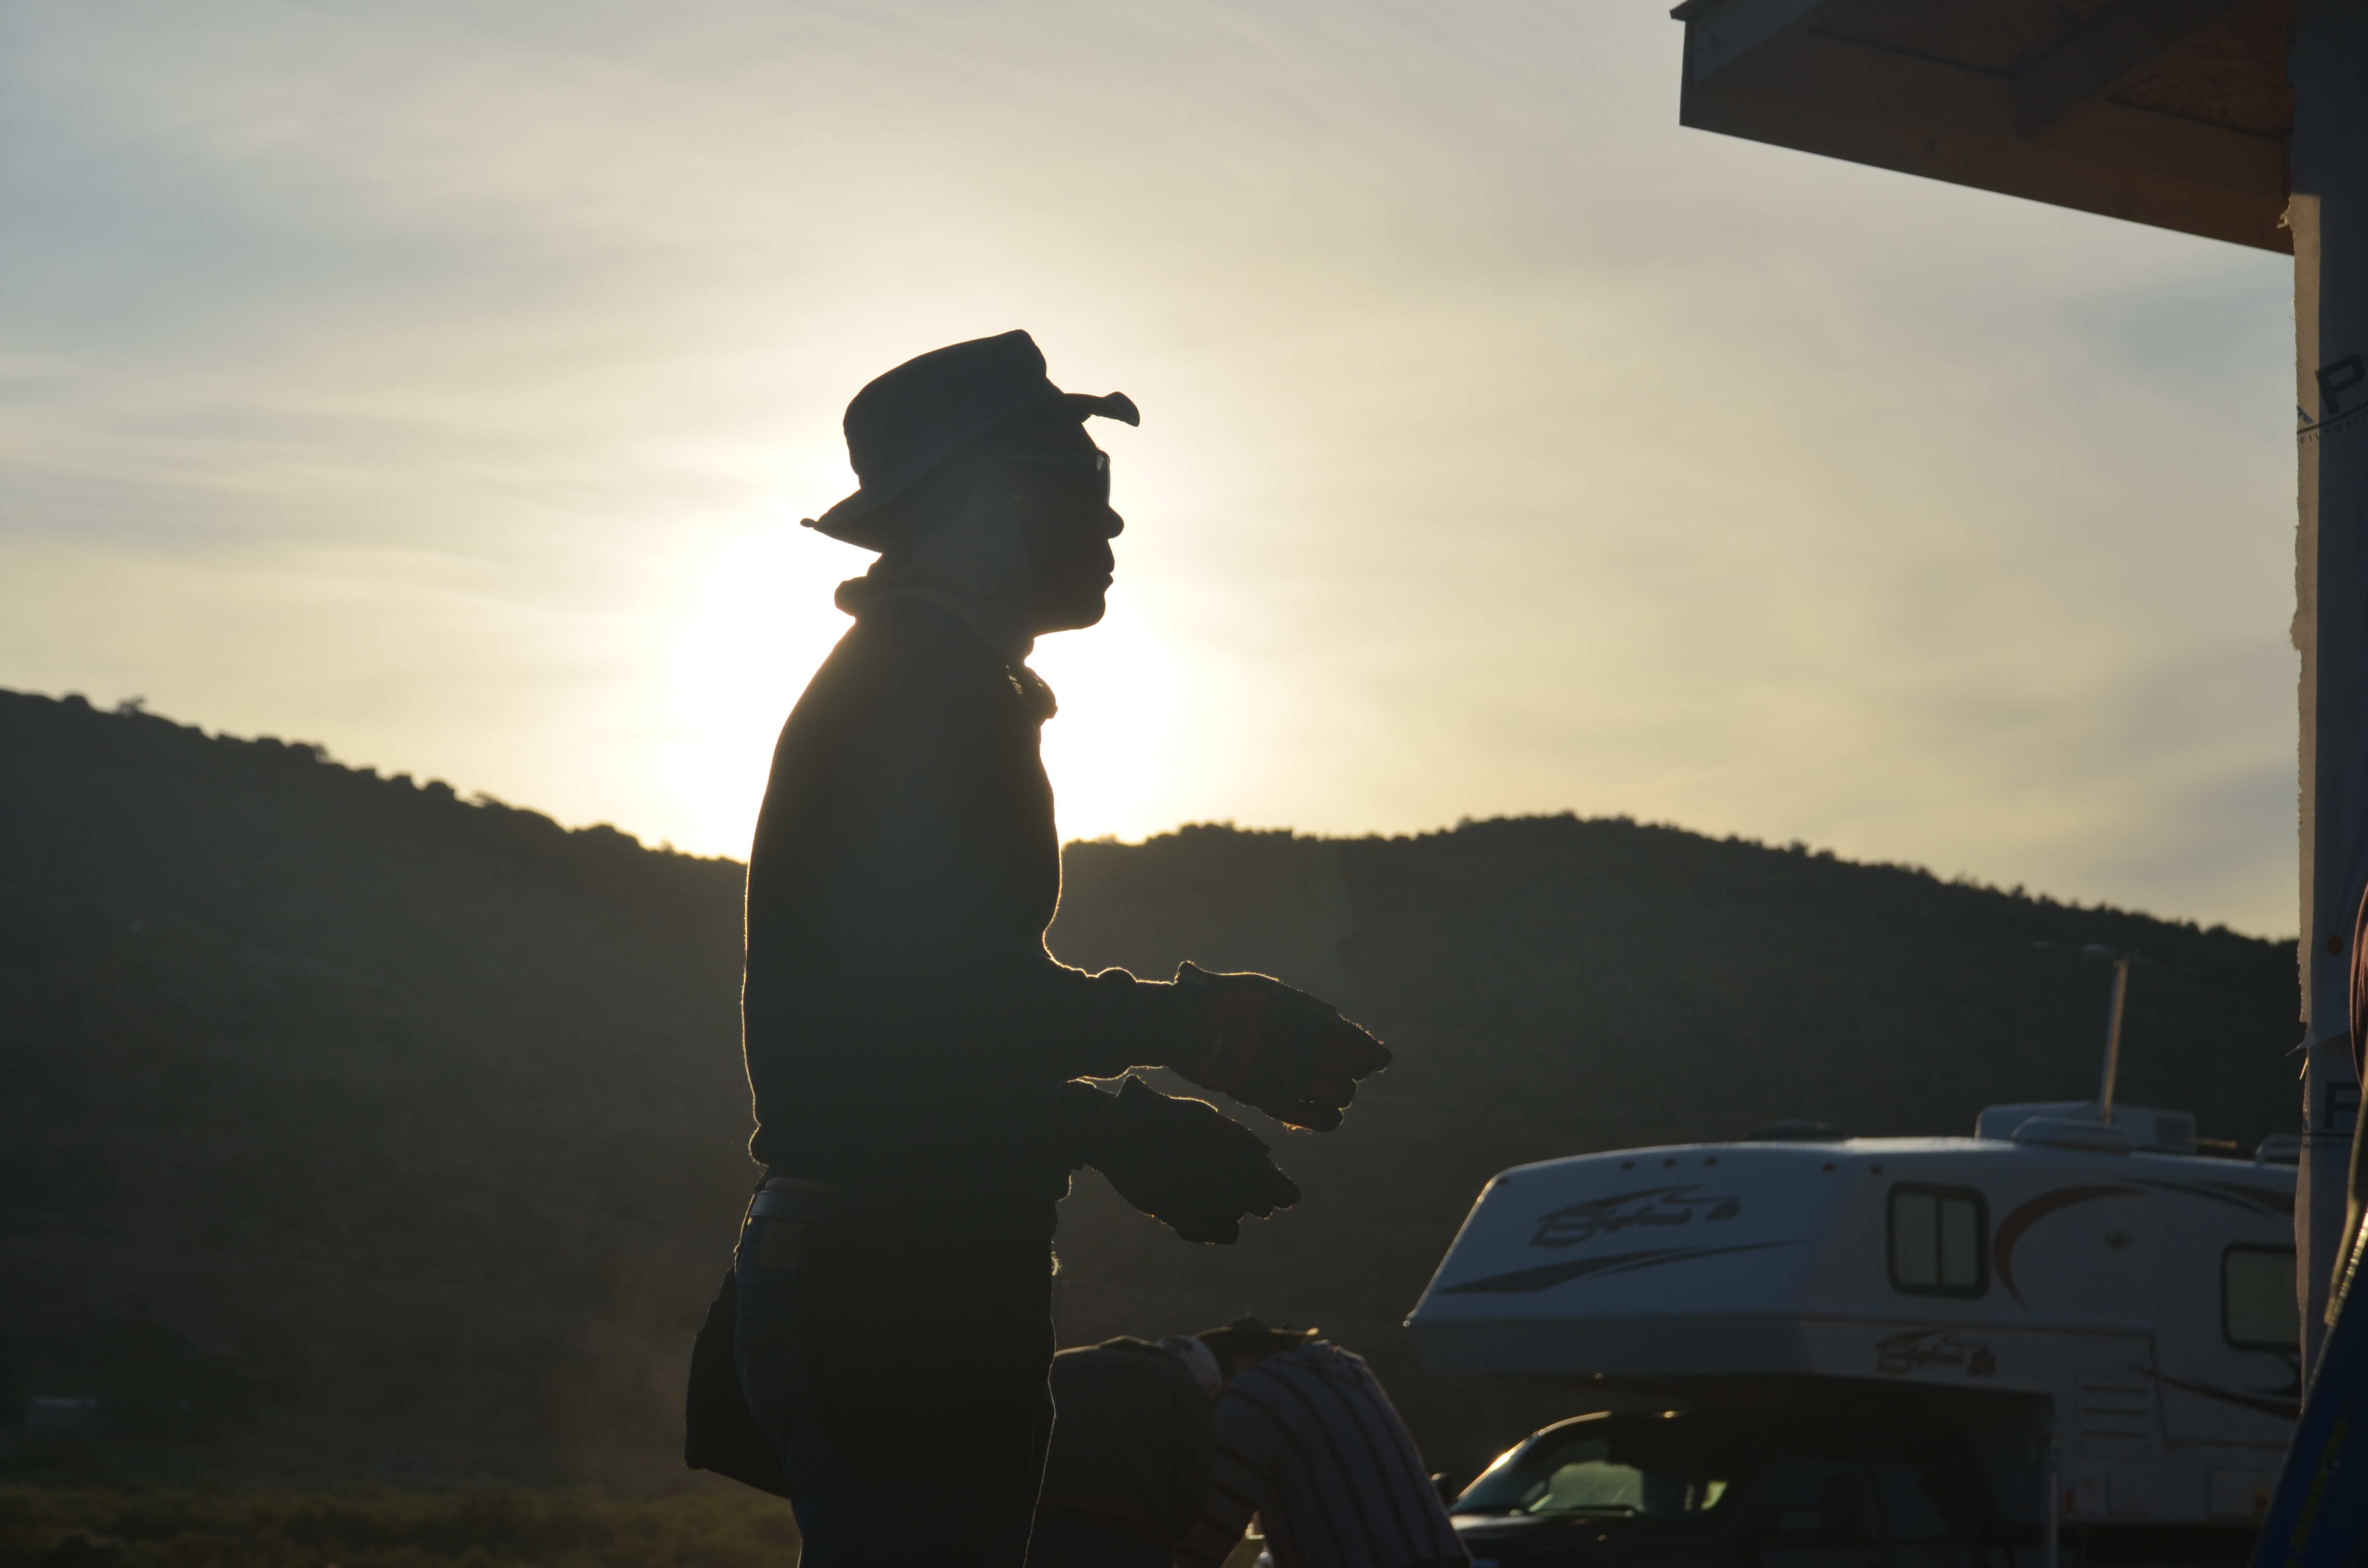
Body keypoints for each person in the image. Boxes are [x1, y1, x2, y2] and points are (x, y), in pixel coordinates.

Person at [723, 331, 1394, 1568]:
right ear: (977, 493)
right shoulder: (927, 688)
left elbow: (915, 1034)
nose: (1116, 518)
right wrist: (1183, 1034)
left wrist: (1104, 1124)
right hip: (900, 1281)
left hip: (897, 1265)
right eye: (1080, 476)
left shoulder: (926, 680)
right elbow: (941, 1003)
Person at [1173, 1317, 1468, 1568]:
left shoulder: (1252, 1392)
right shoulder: (1349, 1372)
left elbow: (1217, 1518)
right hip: (1439, 1554)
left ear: (1242, 1363)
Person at [1029, 1334, 1225, 1568]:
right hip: (1122, 1539)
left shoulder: (1061, 1362)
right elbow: (1190, 1492)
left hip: (1027, 1529)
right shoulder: (1186, 1388)